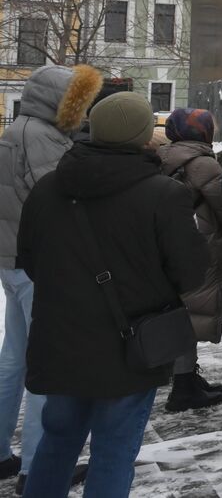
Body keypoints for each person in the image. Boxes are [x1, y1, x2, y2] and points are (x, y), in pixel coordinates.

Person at [18, 92, 205, 498]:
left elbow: (29, 261)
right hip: (129, 347)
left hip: (61, 341)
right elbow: (191, 273)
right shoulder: (164, 194)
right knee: (114, 451)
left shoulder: (48, 188)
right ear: (143, 137)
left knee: (58, 441)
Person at [0, 64, 101, 485]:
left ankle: (4, 453)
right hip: (40, 264)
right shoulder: (40, 138)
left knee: (15, 360)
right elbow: (63, 204)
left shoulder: (15, 131)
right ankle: (37, 467)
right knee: (47, 366)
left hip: (14, 260)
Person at [158, 108, 222, 412]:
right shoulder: (203, 163)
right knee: (190, 316)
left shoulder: (163, 156)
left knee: (179, 311)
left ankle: (186, 377)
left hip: (168, 248)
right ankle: (183, 387)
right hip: (200, 249)